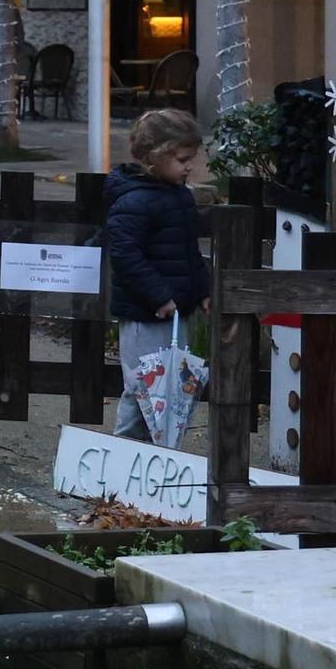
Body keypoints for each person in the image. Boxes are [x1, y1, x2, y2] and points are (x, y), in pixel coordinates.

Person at [104, 109, 208, 445]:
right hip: (146, 315)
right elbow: (125, 255)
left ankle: (161, 455)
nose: (189, 166)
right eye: (182, 159)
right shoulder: (134, 201)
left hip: (175, 312)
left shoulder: (177, 196)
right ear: (155, 157)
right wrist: (159, 296)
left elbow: (188, 251)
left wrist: (201, 289)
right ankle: (126, 453)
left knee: (172, 390)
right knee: (142, 388)